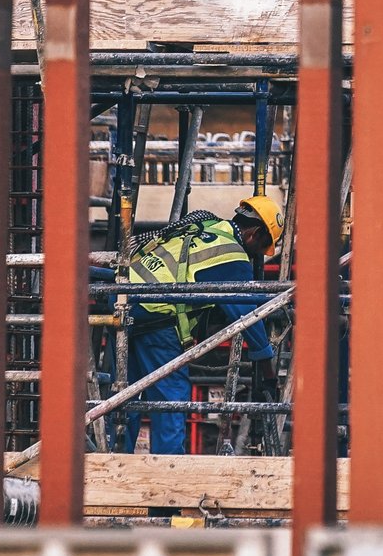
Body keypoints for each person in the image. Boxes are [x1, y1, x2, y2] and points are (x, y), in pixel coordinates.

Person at [112, 193, 285, 455]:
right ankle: (169, 468)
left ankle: (113, 457)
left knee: (123, 395)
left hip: (122, 304)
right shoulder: (232, 256)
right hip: (157, 316)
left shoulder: (205, 225)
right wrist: (266, 367)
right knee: (170, 399)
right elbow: (249, 317)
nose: (259, 255)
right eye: (263, 246)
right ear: (255, 234)